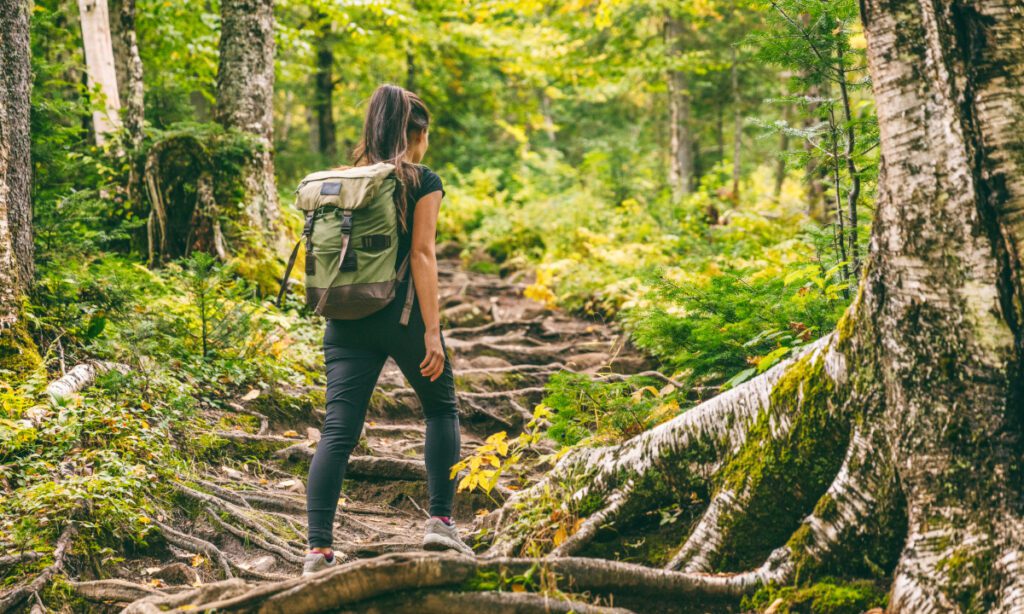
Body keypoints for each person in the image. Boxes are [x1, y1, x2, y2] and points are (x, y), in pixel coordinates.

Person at [303, 84, 473, 576]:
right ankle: (440, 522)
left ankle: (317, 550)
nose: (427, 146)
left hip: (345, 319)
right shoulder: (421, 179)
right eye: (426, 135)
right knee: (442, 408)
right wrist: (432, 331)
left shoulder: (345, 180)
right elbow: (422, 254)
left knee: (337, 430)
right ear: (414, 133)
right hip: (402, 318)